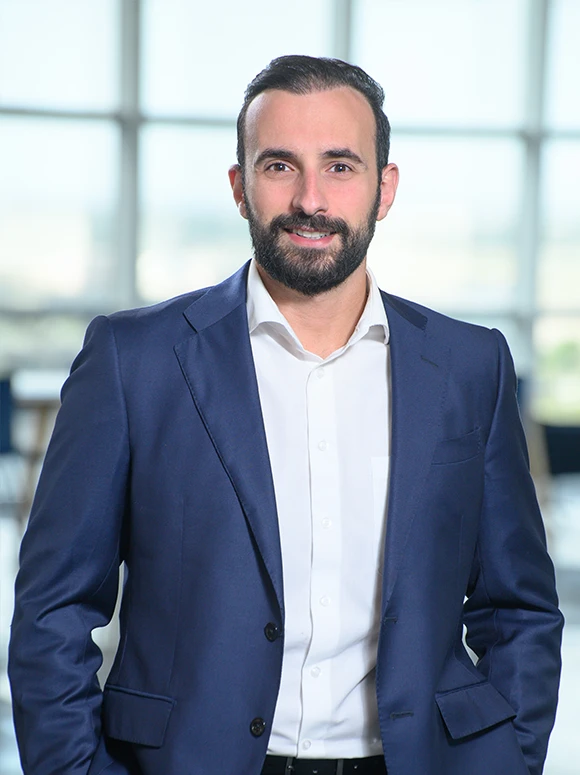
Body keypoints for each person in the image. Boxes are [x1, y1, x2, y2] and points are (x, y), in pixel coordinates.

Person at [9, 55, 563, 775]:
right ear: (240, 187)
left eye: (340, 165)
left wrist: (510, 761)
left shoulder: (468, 367)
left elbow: (519, 606)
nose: (310, 198)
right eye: (279, 166)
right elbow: (52, 610)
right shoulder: (133, 361)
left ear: (383, 188)